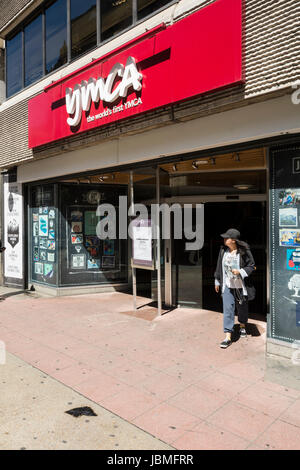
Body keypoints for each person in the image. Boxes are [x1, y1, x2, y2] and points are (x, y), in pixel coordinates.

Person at [214, 228, 256, 349]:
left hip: (241, 286)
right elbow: (219, 266)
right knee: (228, 309)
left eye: (227, 238)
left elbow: (251, 266)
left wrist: (240, 271)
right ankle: (228, 336)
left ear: (233, 240)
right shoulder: (223, 250)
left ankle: (242, 326)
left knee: (242, 307)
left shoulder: (244, 251)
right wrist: (217, 280)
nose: (224, 239)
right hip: (227, 285)